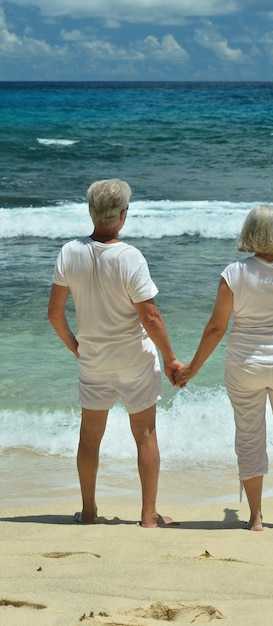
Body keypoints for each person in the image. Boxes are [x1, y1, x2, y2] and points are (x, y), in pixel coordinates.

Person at [174, 205, 273, 531]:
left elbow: (216, 328)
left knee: (249, 438)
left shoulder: (235, 273)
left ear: (250, 233)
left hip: (246, 365)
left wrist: (190, 369)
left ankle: (255, 518)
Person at [48, 179, 180, 526]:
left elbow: (54, 315)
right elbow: (149, 316)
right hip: (134, 360)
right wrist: (170, 357)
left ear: (92, 212)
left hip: (93, 360)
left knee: (90, 437)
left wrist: (77, 348)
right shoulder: (129, 257)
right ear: (122, 216)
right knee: (146, 435)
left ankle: (89, 511)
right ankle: (148, 515)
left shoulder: (70, 252)